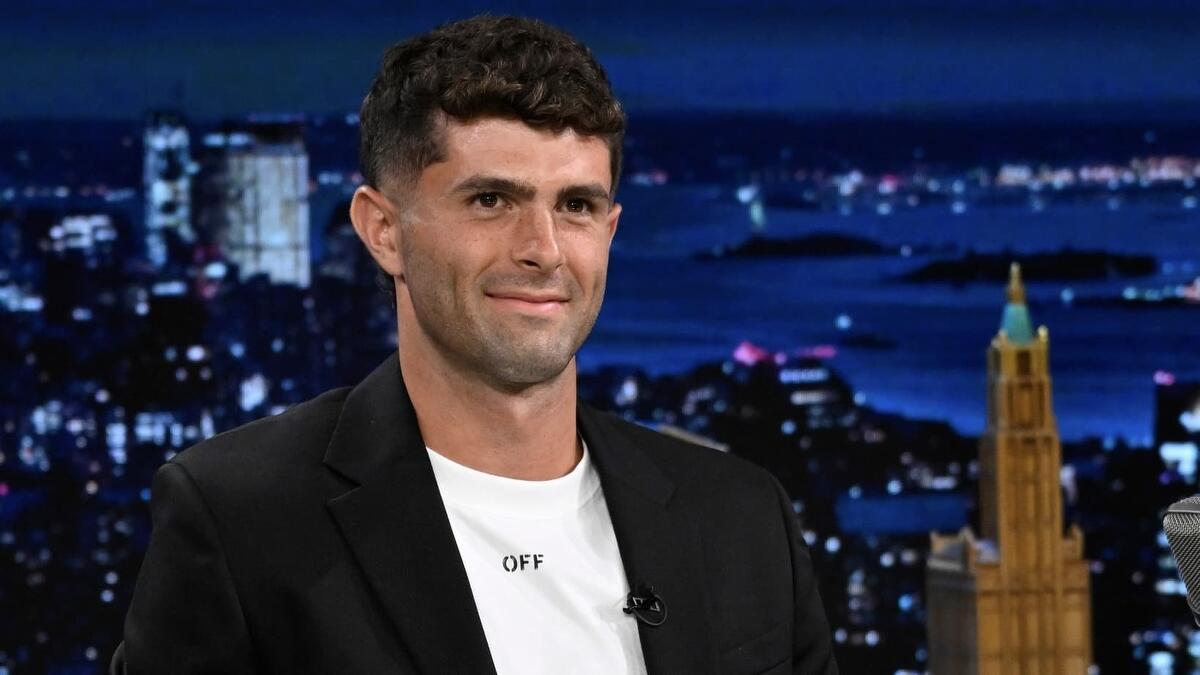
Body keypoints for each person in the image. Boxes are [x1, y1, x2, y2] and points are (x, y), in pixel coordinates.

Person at [113, 15, 837, 675]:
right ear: (383, 231)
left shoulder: (743, 518)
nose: (544, 250)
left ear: (610, 230)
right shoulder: (241, 520)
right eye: (491, 200)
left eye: (576, 206)